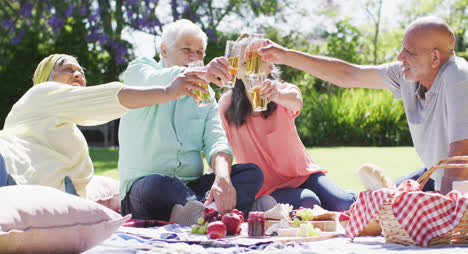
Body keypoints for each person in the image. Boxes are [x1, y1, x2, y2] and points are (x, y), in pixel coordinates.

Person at [258, 16, 468, 194]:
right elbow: (350, 75)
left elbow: (460, 157)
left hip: (459, 189)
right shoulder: (407, 75)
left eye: (409, 52)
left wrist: (446, 213)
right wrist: (284, 55)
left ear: (435, 57)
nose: (399, 57)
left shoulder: (457, 76)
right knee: (375, 203)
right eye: (402, 49)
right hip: (439, 179)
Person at [0, 53, 210, 198]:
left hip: (17, 193)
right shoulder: (41, 93)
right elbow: (108, 97)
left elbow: (79, 187)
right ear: (46, 77)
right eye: (67, 69)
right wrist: (168, 92)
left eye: (80, 71)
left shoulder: (69, 135)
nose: (78, 74)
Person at [118, 19, 264, 225]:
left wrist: (223, 178)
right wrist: (198, 73)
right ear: (164, 49)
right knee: (159, 186)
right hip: (146, 187)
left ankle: (201, 213)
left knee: (251, 173)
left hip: (192, 187)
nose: (195, 57)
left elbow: (217, 140)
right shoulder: (140, 69)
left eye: (200, 53)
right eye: (187, 49)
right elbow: (153, 79)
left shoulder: (206, 93)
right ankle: (222, 212)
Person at [218, 37, 357, 211]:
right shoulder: (227, 104)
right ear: (236, 69)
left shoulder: (283, 91)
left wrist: (276, 95)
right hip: (267, 188)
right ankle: (260, 205)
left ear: (269, 66)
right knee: (309, 202)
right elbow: (220, 146)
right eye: (244, 55)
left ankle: (367, 197)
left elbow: (296, 101)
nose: (249, 57)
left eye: (256, 55)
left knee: (343, 203)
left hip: (304, 174)